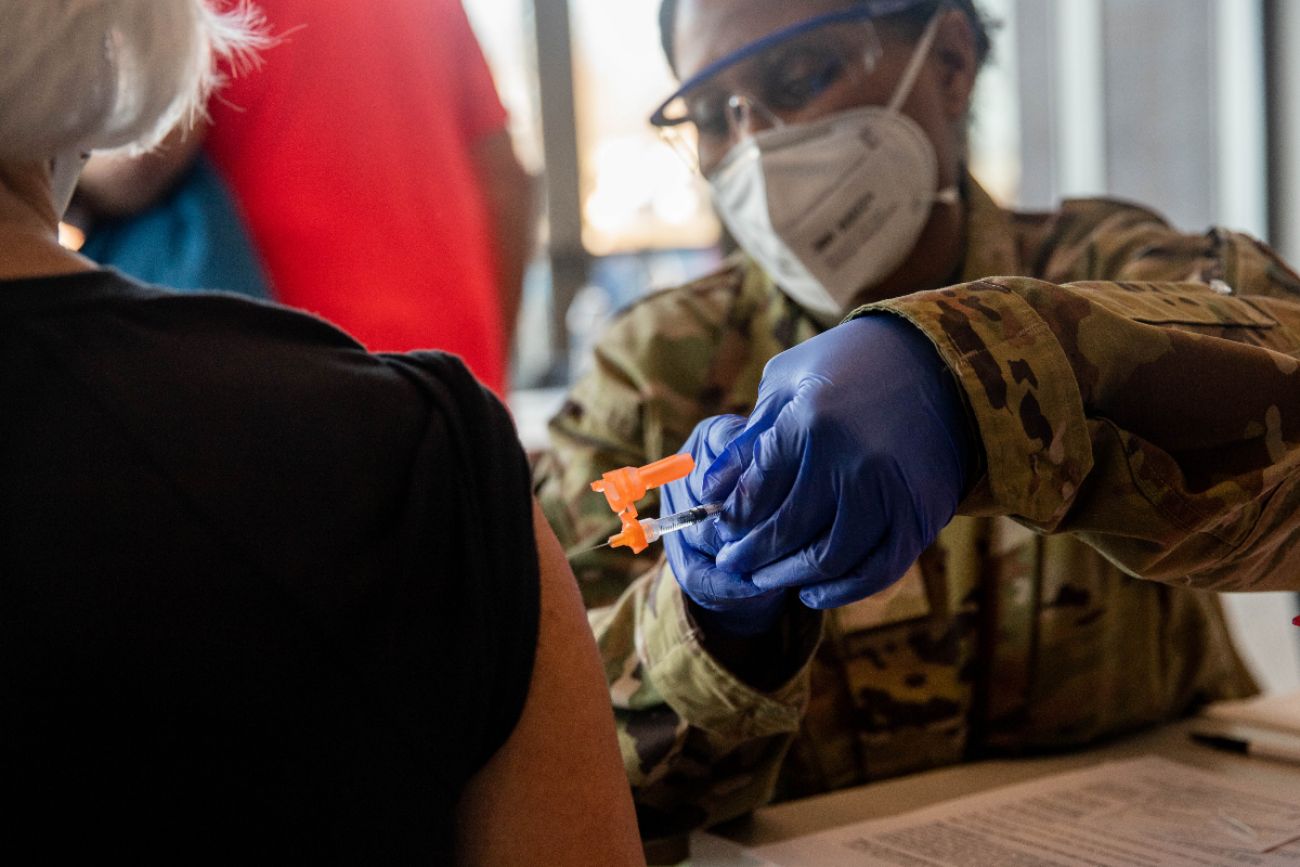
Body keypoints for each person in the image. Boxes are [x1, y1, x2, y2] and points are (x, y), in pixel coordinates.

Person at [534, 0, 1300, 846]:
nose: (757, 145)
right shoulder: (646, 374)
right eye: (716, 116)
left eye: (801, 76)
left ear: (950, 59)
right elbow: (561, 765)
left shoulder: (1102, 266)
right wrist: (711, 628)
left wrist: (975, 375)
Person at [0, 2, 643, 863]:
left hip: (213, 421)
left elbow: (144, 156)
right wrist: (468, 380)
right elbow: (505, 172)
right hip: (370, 435)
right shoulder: (426, 9)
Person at [76, 0, 534, 395]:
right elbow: (506, 180)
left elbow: (144, 156)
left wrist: (35, 171)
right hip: (447, 378)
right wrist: (485, 374)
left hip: (296, 383)